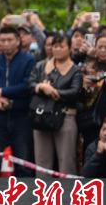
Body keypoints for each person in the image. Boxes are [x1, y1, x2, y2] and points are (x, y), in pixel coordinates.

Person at [28, 32, 82, 176]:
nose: (57, 49)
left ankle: (68, 195)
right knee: (42, 161)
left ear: (70, 48)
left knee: (66, 160)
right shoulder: (41, 66)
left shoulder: (76, 70)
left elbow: (75, 92)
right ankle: (42, 194)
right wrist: (41, 87)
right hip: (41, 115)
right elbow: (30, 84)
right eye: (54, 46)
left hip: (66, 117)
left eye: (61, 46)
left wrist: (54, 92)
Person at [0, 26, 35, 177]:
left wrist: (2, 92)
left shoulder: (29, 60)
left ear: (18, 41)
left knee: (23, 161)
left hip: (21, 116)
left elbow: (28, 85)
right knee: (1, 161)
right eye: (3, 40)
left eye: (10, 40)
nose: (6, 43)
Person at [78, 33, 106, 150]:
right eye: (100, 47)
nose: (103, 50)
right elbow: (77, 97)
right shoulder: (86, 67)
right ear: (95, 48)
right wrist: (84, 86)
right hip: (90, 121)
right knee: (91, 154)